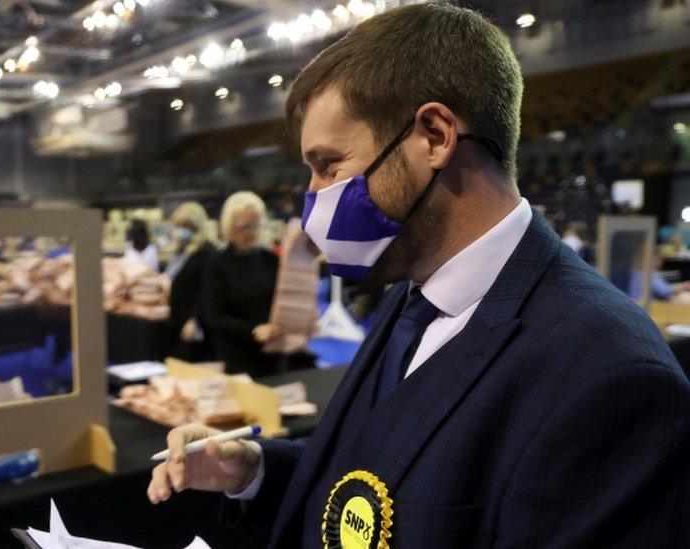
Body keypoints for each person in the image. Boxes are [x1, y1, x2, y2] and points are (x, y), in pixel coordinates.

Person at [148, 4, 690, 547]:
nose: (312, 195)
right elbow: (381, 473)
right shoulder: (411, 297)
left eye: (328, 165)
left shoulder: (611, 375)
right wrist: (253, 469)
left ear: (434, 136)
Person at [204, 191, 282, 375]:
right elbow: (215, 316)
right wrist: (253, 330)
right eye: (243, 226)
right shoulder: (217, 264)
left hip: (273, 353)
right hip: (237, 357)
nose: (251, 232)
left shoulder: (270, 259)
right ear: (229, 226)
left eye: (256, 225)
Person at [165, 202, 217, 362]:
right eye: (178, 225)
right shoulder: (181, 251)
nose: (180, 230)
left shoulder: (206, 252)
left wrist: (195, 319)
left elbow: (207, 290)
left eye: (185, 226)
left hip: (197, 327)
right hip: (179, 321)